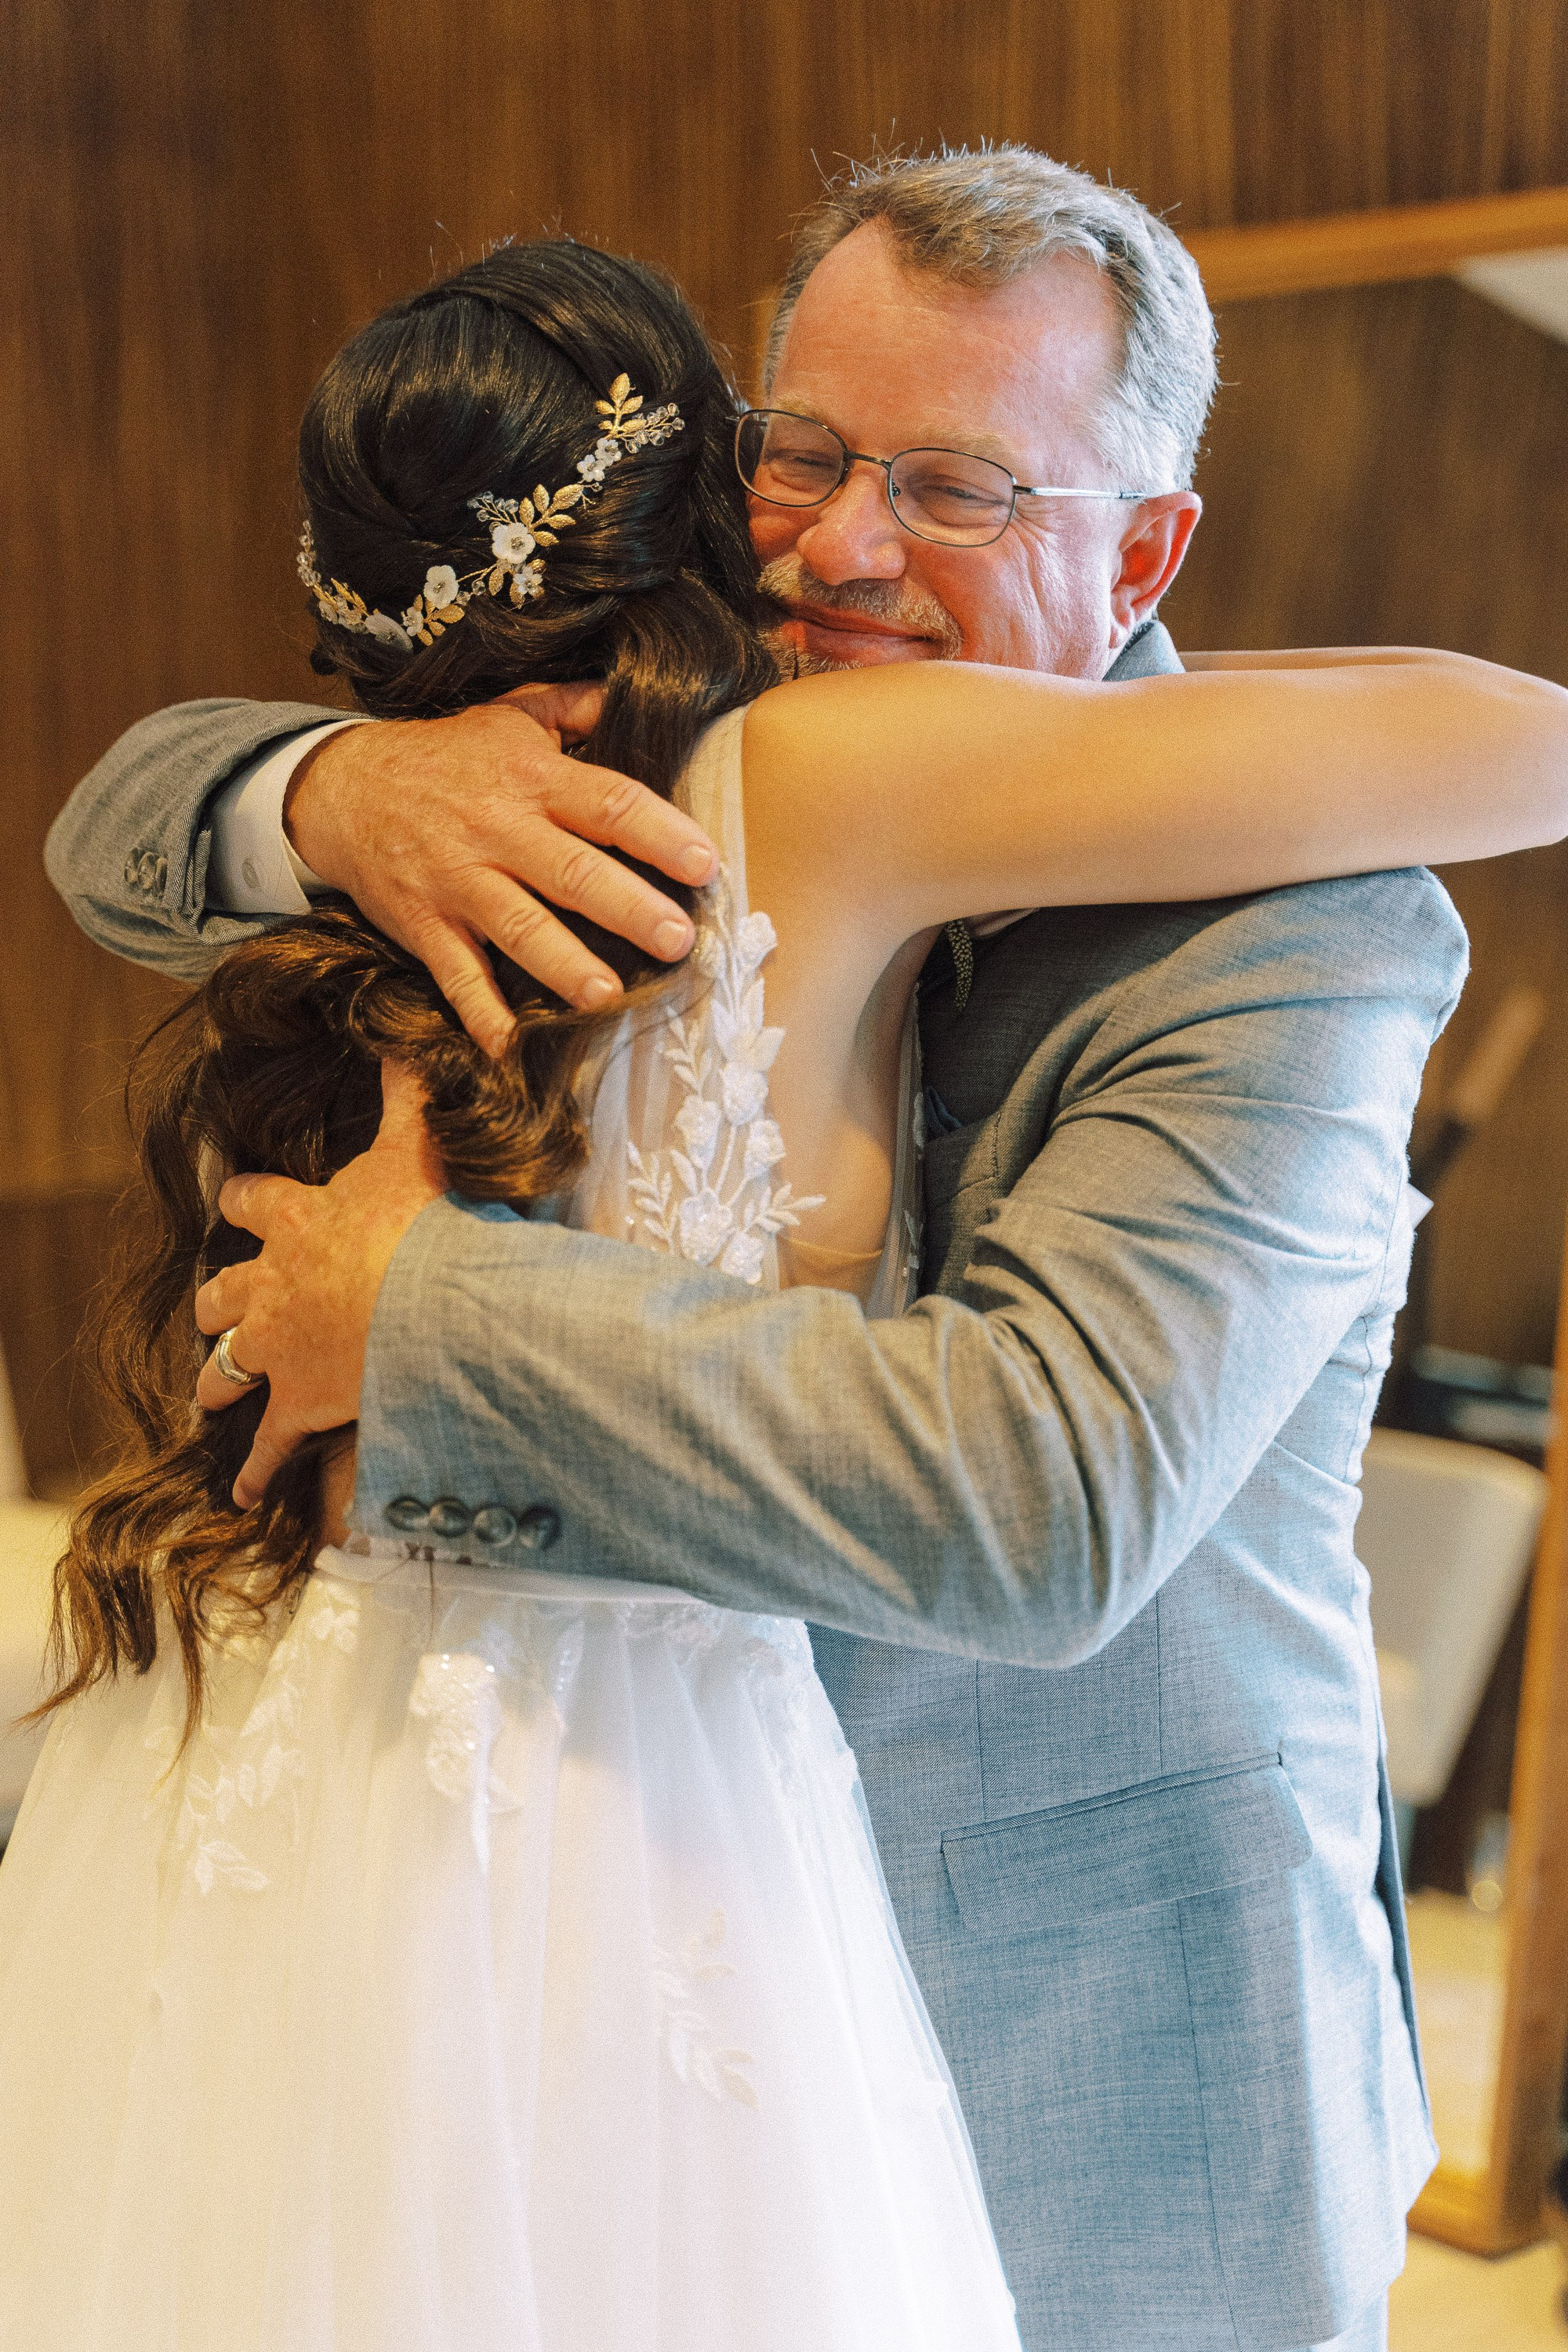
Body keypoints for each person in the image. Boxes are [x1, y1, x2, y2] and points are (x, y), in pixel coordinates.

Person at [34, 151, 1568, 2352]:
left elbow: (1042, 1497)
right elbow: (123, 812)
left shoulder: (1301, 926)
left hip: (1087, 2057)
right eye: (806, 454)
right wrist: (330, 791)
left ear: (1142, 544)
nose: (844, 542)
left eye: (955, 487)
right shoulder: (608, 766)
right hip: (595, 1939)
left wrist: (427, 1307)